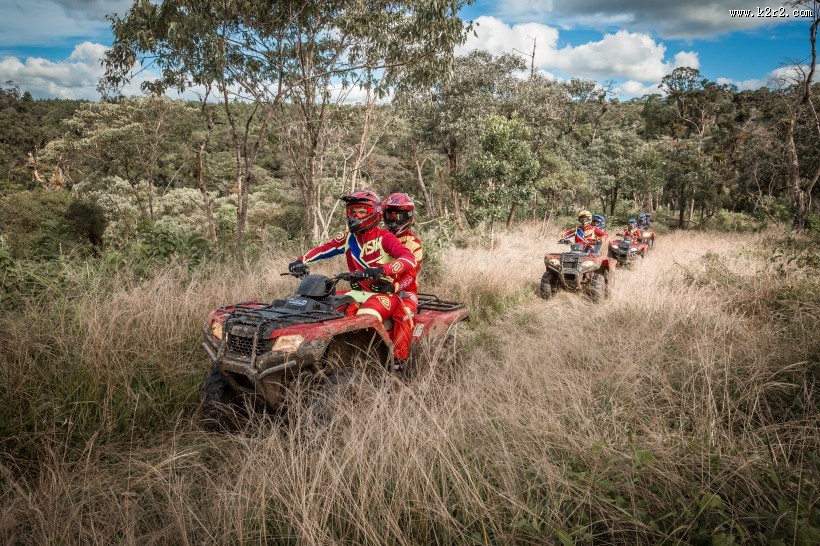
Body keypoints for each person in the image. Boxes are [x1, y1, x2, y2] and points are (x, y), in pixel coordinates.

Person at [289, 190, 417, 330]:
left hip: (382, 294)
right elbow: (324, 249)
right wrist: (301, 260)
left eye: (362, 211)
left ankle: (391, 353)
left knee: (365, 318)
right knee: (323, 310)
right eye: (352, 211)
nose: (355, 216)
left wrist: (382, 269)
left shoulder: (385, 237)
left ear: (374, 212)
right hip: (356, 292)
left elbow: (409, 258)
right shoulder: (349, 237)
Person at [381, 192, 423, 370]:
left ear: (408, 216)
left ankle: (399, 363)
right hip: (376, 289)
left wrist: (395, 286)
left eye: (398, 216)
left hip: (405, 292)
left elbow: (410, 275)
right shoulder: (378, 237)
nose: (393, 221)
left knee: (403, 313)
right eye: (389, 216)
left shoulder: (413, 243)